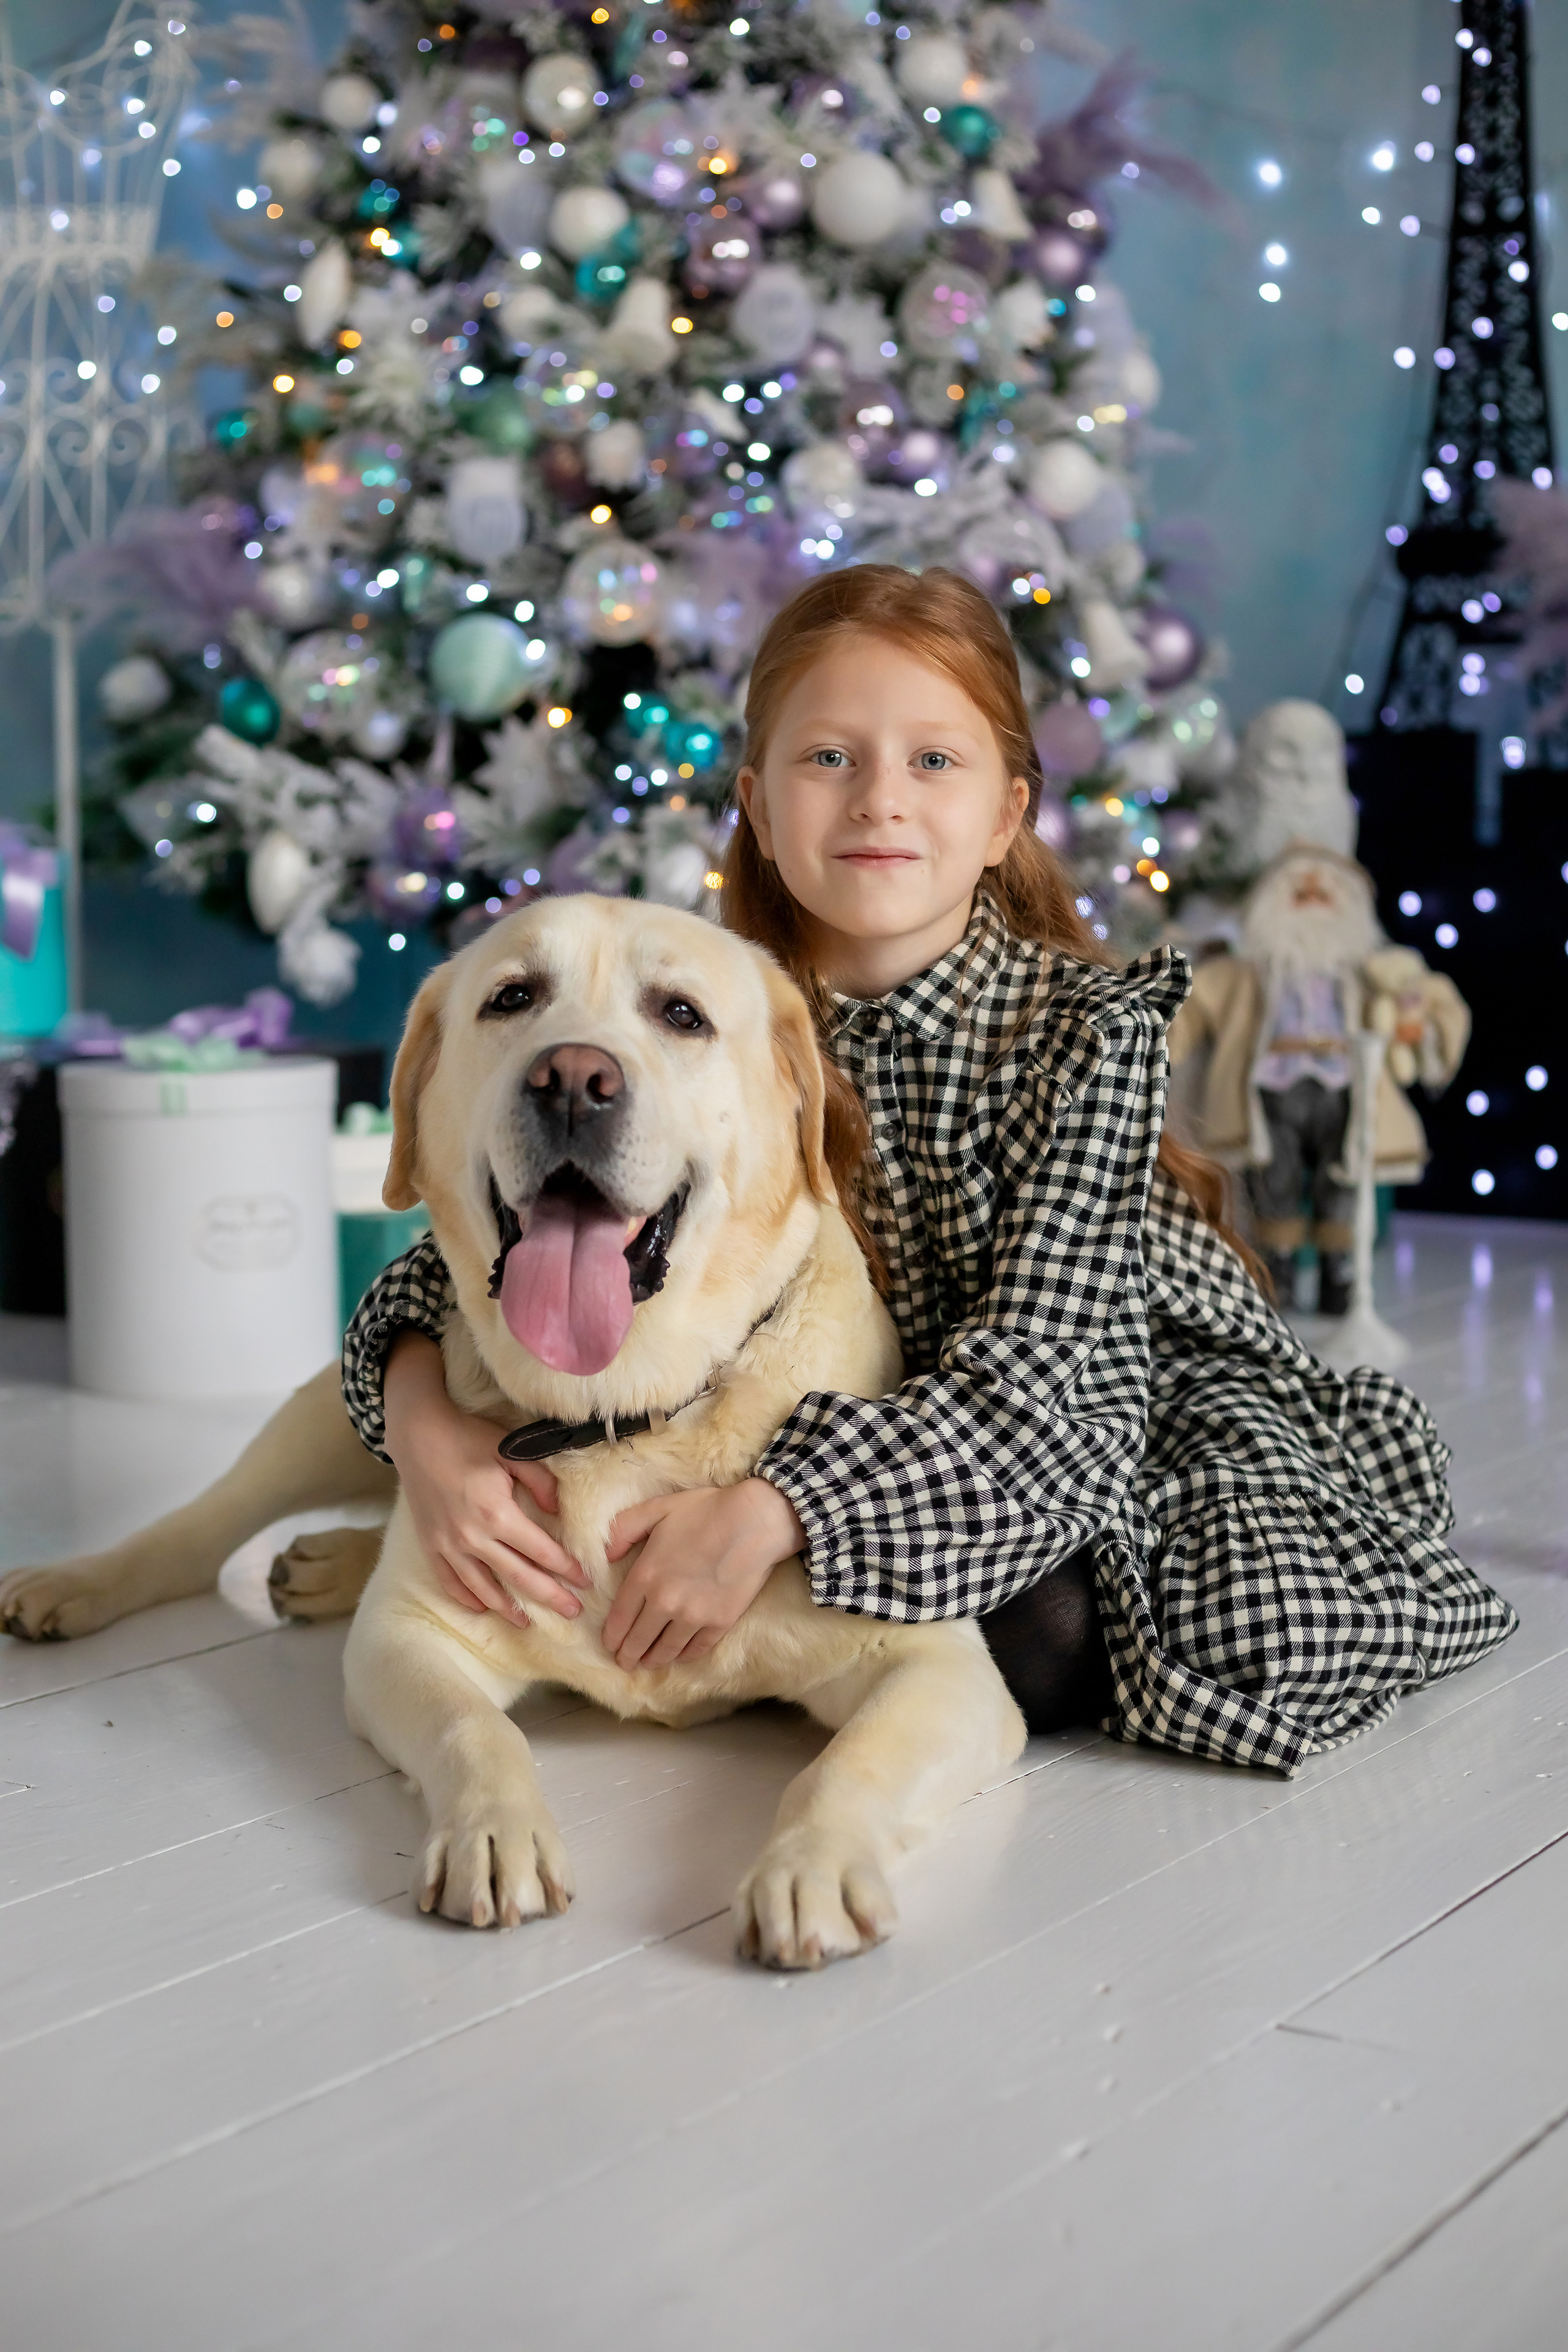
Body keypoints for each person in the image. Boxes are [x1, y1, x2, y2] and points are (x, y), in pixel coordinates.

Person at [341, 567, 1514, 1776]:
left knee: (1153, 1631)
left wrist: (776, 1509)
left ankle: (885, 1571)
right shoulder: (709, 1020)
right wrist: (428, 1428)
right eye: (828, 760)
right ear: (753, 800)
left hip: (1094, 1401)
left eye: (932, 763)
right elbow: (502, 1250)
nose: (877, 802)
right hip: (866, 1399)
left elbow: (1042, 1387)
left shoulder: (1083, 1038)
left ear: (1007, 814)